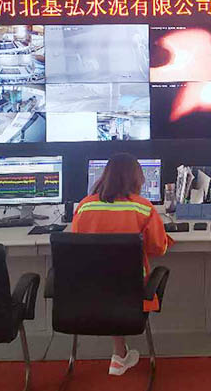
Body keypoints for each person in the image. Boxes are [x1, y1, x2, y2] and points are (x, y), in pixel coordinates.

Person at [72, 152, 172, 377]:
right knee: (117, 279)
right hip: (132, 289)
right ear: (136, 179)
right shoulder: (143, 208)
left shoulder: (85, 207)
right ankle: (120, 355)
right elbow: (158, 248)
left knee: (107, 278)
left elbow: (76, 245)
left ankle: (120, 353)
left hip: (89, 289)